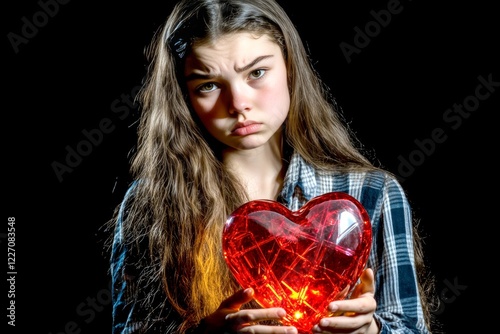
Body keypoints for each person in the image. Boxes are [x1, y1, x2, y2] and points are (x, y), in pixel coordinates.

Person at [106, 0, 439, 333]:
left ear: (290, 67)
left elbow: (410, 326)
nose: (238, 104)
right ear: (184, 97)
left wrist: (369, 331)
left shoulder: (372, 194)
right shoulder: (152, 203)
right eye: (208, 85)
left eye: (257, 73)